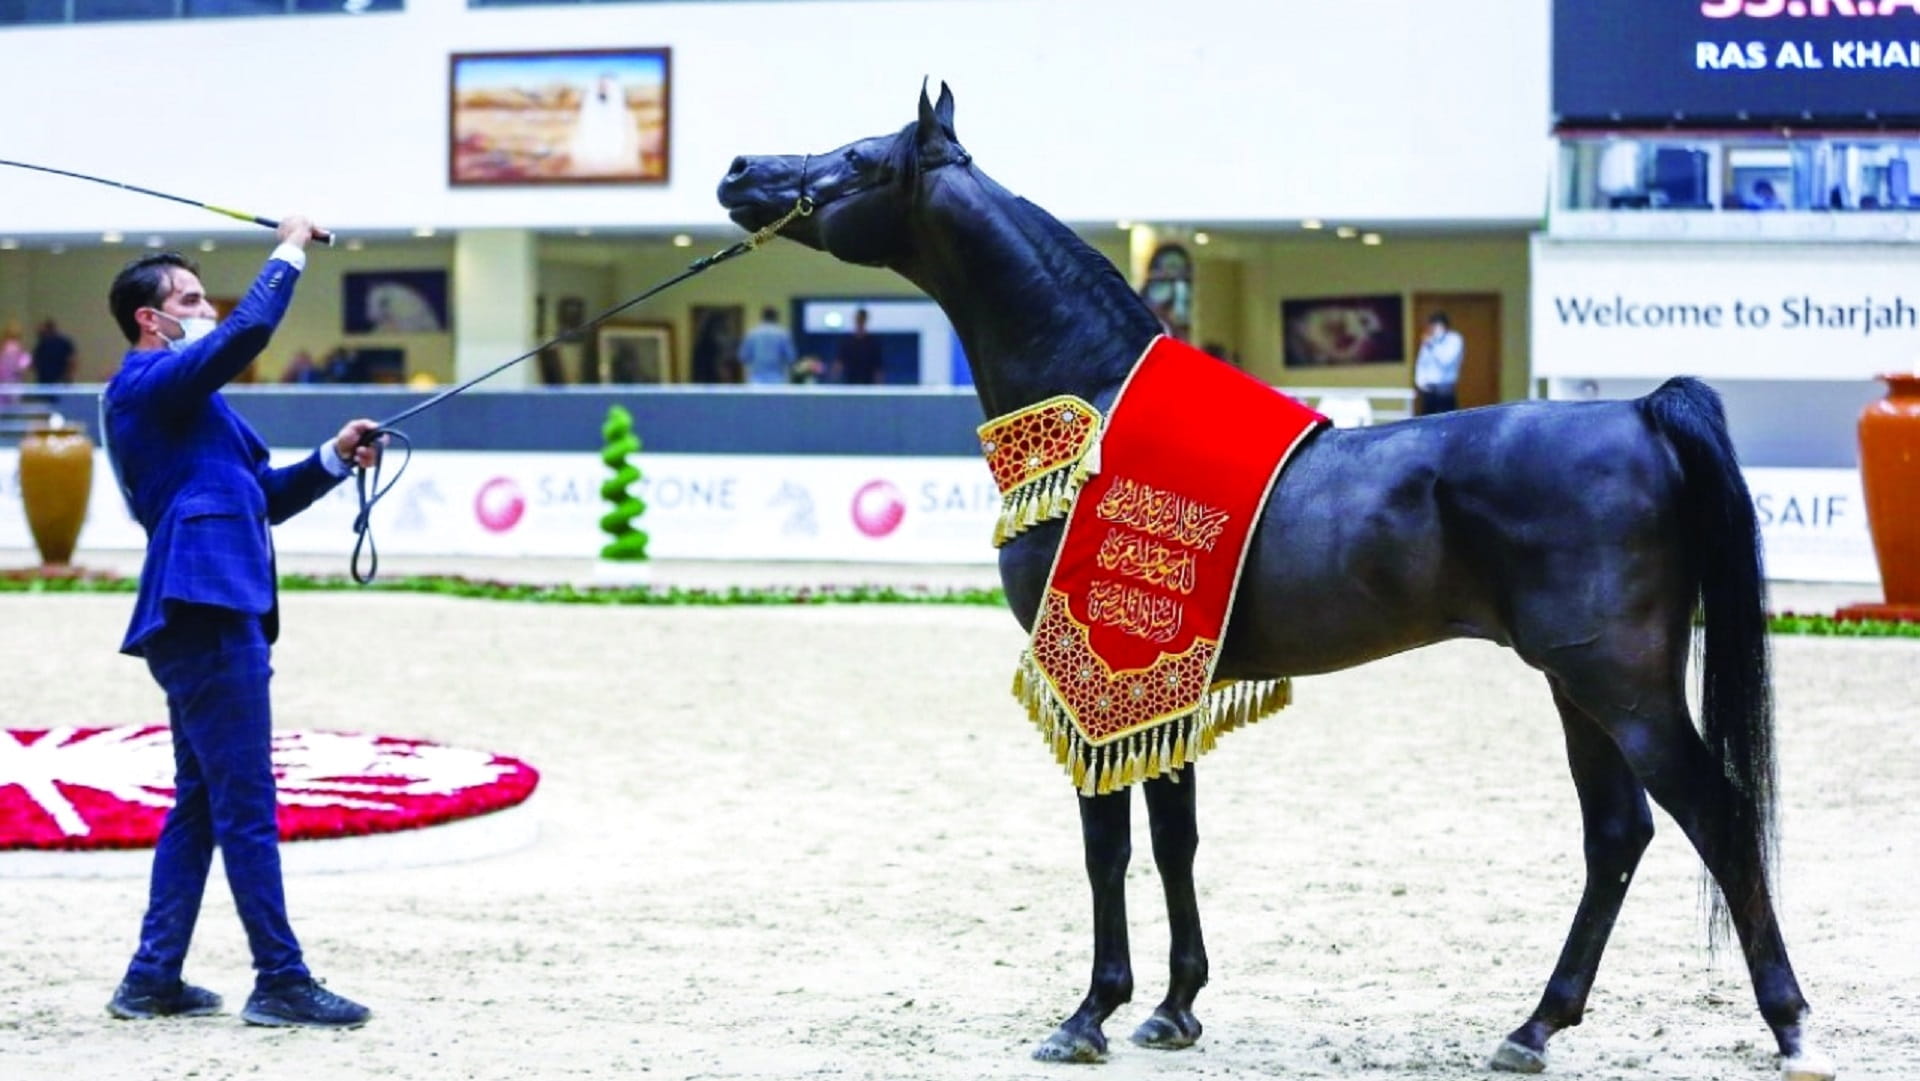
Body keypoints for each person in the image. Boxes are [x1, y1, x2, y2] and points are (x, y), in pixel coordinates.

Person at [99, 217, 377, 1030]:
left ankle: (152, 977)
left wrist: (332, 457)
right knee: (247, 802)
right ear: (151, 319)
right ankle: (280, 979)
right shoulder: (147, 382)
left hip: (205, 605)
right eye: (189, 299)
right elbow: (250, 330)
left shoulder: (195, 405)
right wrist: (290, 246)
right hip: (208, 605)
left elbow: (264, 497)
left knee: (202, 802)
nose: (206, 309)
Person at [568, 74, 639, 176]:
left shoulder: (626, 115)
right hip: (589, 164)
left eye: (606, 86)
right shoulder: (587, 112)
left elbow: (631, 142)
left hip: (618, 165)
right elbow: (579, 139)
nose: (602, 89)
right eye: (600, 86)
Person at [1413, 311, 1463, 415]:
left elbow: (1446, 361)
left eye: (1436, 326)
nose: (1433, 329)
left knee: (1449, 421)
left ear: (1444, 326)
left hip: (1445, 389)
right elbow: (1421, 362)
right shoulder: (1430, 341)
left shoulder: (1454, 339)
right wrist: (1420, 381)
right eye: (1431, 326)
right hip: (1429, 389)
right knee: (1427, 420)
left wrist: (1432, 346)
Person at [736, 306, 796, 385]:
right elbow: (791, 357)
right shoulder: (783, 334)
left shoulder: (752, 333)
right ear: (776, 317)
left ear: (762, 317)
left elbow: (743, 356)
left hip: (756, 378)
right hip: (777, 378)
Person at [833, 307, 884, 385]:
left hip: (868, 384)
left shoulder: (873, 343)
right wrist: (834, 380)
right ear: (855, 320)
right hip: (849, 383)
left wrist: (879, 386)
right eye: (858, 319)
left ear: (865, 320)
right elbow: (839, 363)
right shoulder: (847, 342)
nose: (859, 322)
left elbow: (878, 367)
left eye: (861, 319)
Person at [31, 318, 76, 385]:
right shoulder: (42, 344)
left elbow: (71, 360)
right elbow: (34, 361)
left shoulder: (63, 342)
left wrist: (68, 375)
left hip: (58, 379)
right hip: (46, 379)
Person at [0, 320, 28, 403]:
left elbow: (24, 361)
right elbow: (24, 362)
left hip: (11, 380)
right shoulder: (17, 348)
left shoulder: (18, 348)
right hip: (9, 380)